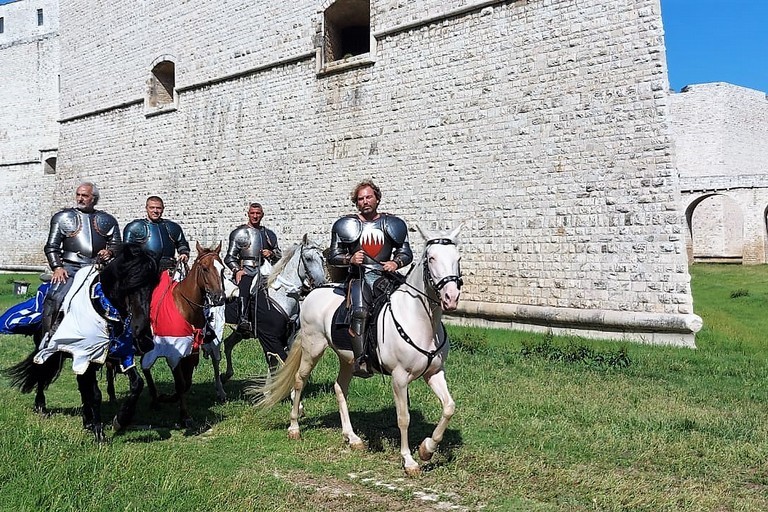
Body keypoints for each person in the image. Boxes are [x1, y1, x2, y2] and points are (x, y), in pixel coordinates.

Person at [328, 180, 413, 377]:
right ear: (356, 202)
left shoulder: (394, 223)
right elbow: (333, 255)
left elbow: (405, 252)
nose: (365, 201)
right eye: (360, 199)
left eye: (368, 197)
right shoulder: (344, 224)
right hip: (359, 277)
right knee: (360, 311)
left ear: (377, 198)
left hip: (386, 276)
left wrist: (396, 263)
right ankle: (361, 360)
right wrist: (350, 258)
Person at [42, 182, 122, 334]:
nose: (80, 198)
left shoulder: (108, 220)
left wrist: (109, 252)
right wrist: (57, 267)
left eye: (84, 195)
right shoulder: (62, 217)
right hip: (70, 268)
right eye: (78, 195)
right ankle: (47, 338)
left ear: (94, 198)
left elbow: (117, 245)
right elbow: (51, 246)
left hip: (99, 268)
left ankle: (120, 338)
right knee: (55, 297)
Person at [224, 202, 282, 333]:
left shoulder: (269, 234)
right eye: (252, 213)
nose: (255, 216)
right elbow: (229, 257)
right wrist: (237, 270)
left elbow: (279, 255)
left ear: (262, 215)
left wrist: (271, 253)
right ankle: (242, 320)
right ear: (248, 214)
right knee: (244, 286)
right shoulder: (239, 233)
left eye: (258, 213)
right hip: (247, 270)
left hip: (265, 271)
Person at [123, 196, 190, 272]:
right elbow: (127, 251)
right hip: (144, 270)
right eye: (152, 207)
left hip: (169, 269)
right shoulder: (134, 227)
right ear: (146, 208)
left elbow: (182, 244)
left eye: (158, 208)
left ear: (163, 209)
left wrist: (184, 253)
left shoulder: (173, 227)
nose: (155, 211)